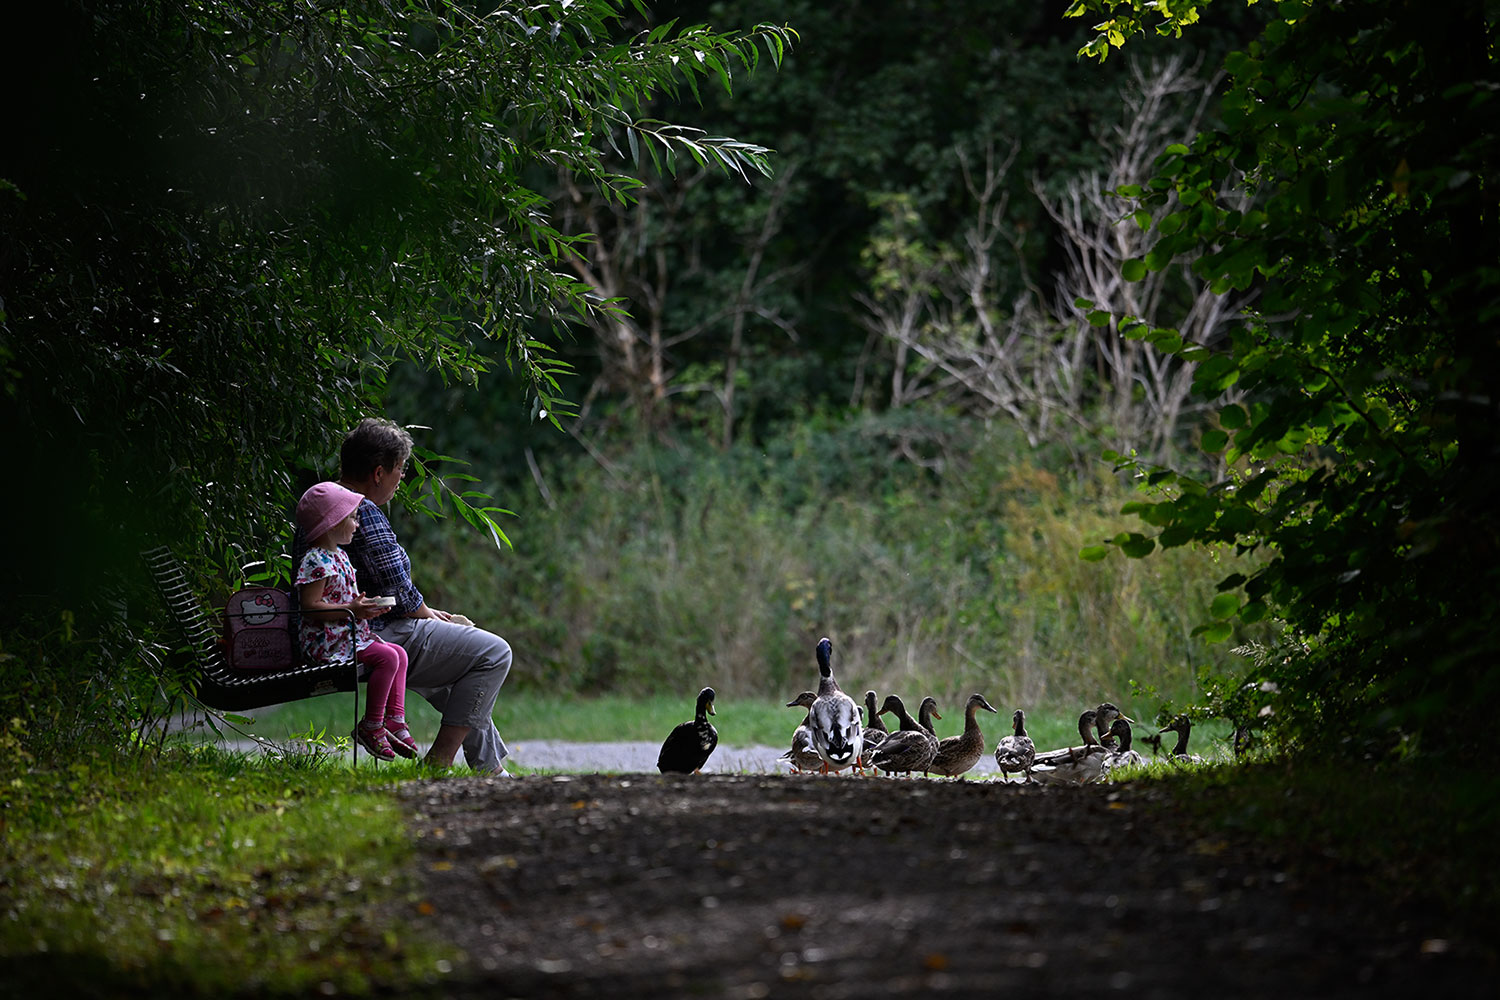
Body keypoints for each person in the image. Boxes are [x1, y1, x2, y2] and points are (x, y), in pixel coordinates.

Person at [293, 418, 514, 774]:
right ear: (379, 472)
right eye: (400, 469)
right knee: (493, 653)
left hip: (350, 628)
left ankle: (491, 771)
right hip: (367, 632)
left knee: (463, 667)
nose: (402, 479)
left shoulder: (324, 507)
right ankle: (439, 763)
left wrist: (428, 612)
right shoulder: (359, 511)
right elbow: (396, 589)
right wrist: (427, 613)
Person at [294, 481, 418, 762]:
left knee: (399, 653)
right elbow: (310, 608)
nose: (357, 524)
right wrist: (351, 609)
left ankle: (395, 719)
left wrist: (364, 608)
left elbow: (341, 599)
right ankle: (372, 725)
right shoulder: (316, 560)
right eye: (352, 518)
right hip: (326, 642)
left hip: (346, 633)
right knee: (387, 657)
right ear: (332, 524)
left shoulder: (338, 556)